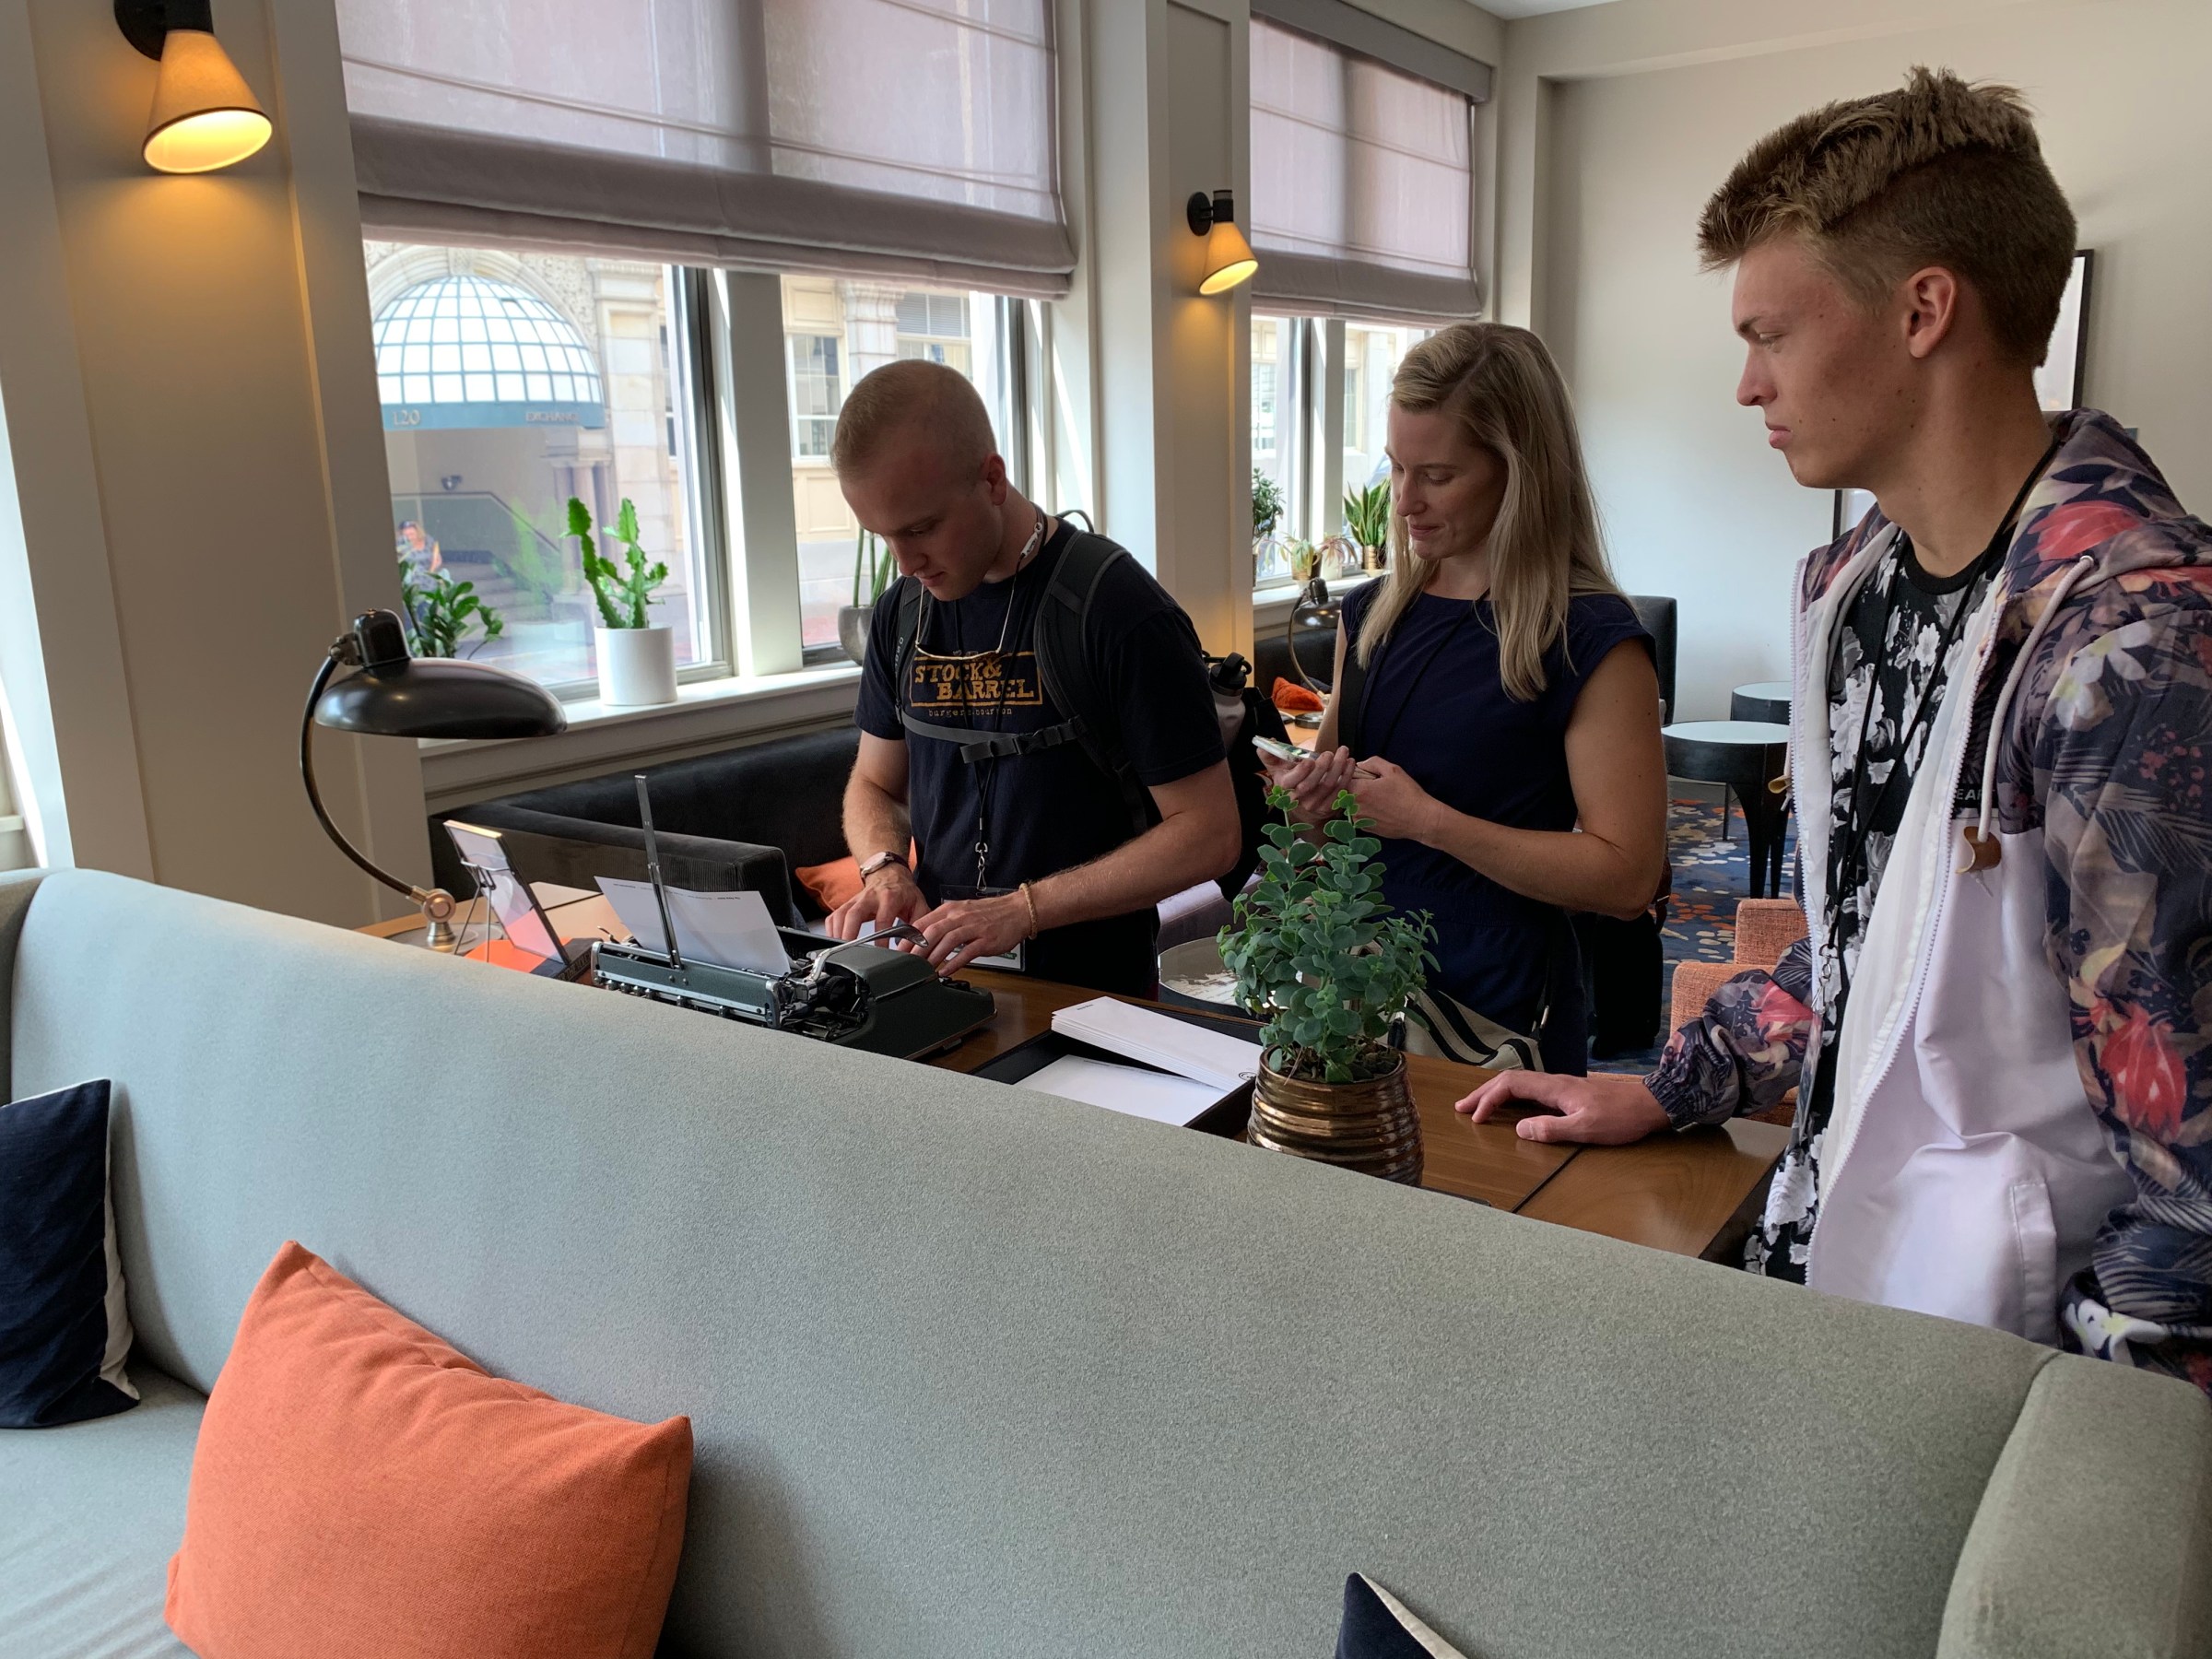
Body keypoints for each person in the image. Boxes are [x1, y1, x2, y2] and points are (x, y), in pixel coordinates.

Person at [1461, 69, 2212, 1392]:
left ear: (1924, 311)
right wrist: (1668, 1084)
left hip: (2032, 1363)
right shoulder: (1854, 591)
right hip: (1846, 1273)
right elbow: (1861, 946)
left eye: (1772, 333)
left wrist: (2098, 1463)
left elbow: (2190, 1177)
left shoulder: (2136, 645)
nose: (1747, 383)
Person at [1269, 324, 1667, 1074]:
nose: (1405, 501)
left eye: (1438, 475)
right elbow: (1322, 835)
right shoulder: (1372, 614)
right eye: (1396, 468)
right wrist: (1306, 805)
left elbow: (1627, 878)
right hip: (1351, 995)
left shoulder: (1589, 640)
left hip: (1495, 1013)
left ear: (1520, 473)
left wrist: (1430, 823)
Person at [827, 359, 1241, 995]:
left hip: (1093, 999)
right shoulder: (901, 614)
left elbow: (1210, 834)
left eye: (922, 528)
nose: (906, 563)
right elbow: (874, 783)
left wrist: (1023, 910)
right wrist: (885, 869)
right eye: (883, 537)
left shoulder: (1117, 610)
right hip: (940, 990)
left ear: (992, 479)